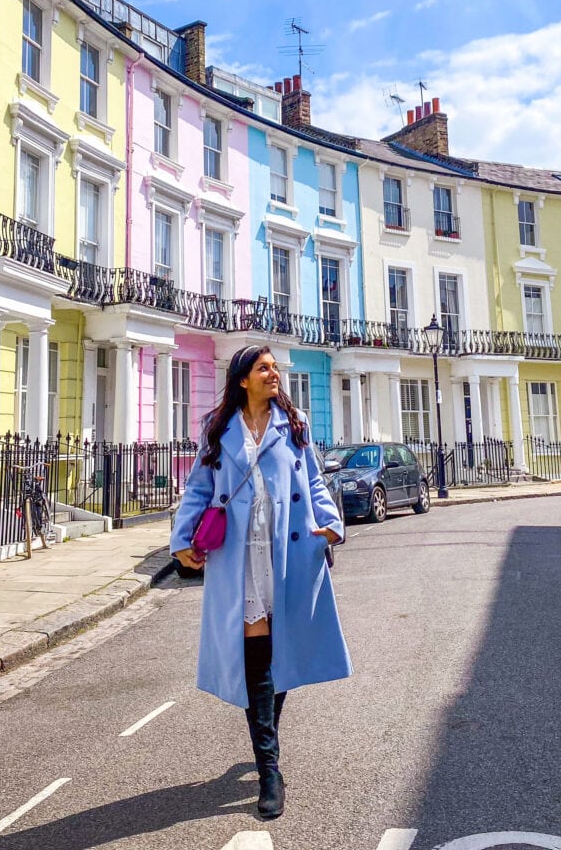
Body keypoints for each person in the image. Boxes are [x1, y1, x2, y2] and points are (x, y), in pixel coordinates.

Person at [171, 344, 352, 820]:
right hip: (241, 556)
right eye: (264, 368)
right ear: (243, 380)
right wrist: (181, 539)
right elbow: (199, 490)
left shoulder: (293, 425)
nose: (274, 374)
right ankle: (269, 769)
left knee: (281, 653)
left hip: (288, 549)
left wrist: (330, 521)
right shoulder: (219, 430)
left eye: (274, 368)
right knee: (258, 660)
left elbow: (313, 481)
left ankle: (265, 739)